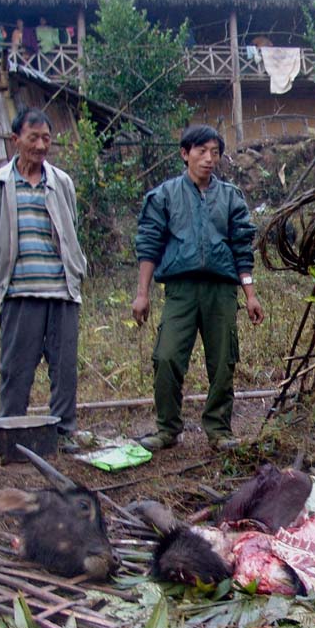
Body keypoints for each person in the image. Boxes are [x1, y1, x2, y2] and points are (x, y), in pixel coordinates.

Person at [132, 124, 262, 452]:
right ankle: (168, 429)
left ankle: (219, 430)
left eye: (215, 153)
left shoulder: (230, 196)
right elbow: (149, 244)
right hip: (181, 290)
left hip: (220, 291)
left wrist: (250, 294)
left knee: (222, 361)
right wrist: (142, 293)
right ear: (185, 153)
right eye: (201, 151)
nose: (208, 159)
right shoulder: (164, 196)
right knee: (166, 357)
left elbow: (241, 247)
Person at [0, 108, 86, 452]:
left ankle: (64, 432)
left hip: (61, 290)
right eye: (33, 137)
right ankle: (11, 433)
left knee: (64, 369)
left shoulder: (61, 182)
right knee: (16, 368)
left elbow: (71, 229)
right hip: (20, 291)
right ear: (15, 140)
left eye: (46, 138)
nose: (41, 145)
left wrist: (74, 269)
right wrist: (6, 272)